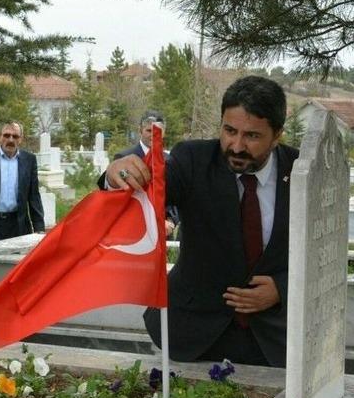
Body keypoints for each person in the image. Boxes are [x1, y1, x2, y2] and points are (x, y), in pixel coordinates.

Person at [103, 76, 298, 367]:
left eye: (252, 136)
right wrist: (115, 176)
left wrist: (282, 288)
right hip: (193, 335)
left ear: (277, 134)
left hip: (274, 342)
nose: (236, 145)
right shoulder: (193, 159)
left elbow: (325, 252)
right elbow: (148, 195)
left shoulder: (303, 170)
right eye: (229, 130)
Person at [114, 110, 179, 237]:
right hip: (133, 230)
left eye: (157, 132)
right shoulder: (123, 157)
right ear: (140, 130)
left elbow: (175, 195)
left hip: (163, 230)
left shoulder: (170, 160)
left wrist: (171, 220)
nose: (153, 135)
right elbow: (117, 195)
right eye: (149, 131)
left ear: (164, 132)